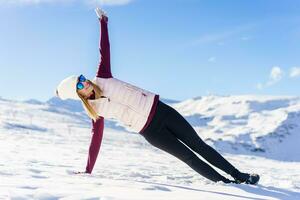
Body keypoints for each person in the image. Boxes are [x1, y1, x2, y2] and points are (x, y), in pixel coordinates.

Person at [55, 7, 259, 185]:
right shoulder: (96, 112)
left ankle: (240, 176)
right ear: (78, 94)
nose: (85, 81)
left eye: (82, 77)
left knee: (199, 146)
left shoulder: (103, 76)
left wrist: (103, 23)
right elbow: (95, 140)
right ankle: (227, 184)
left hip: (162, 112)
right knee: (189, 158)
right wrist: (88, 169)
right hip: (151, 132)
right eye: (80, 83)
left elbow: (104, 50)